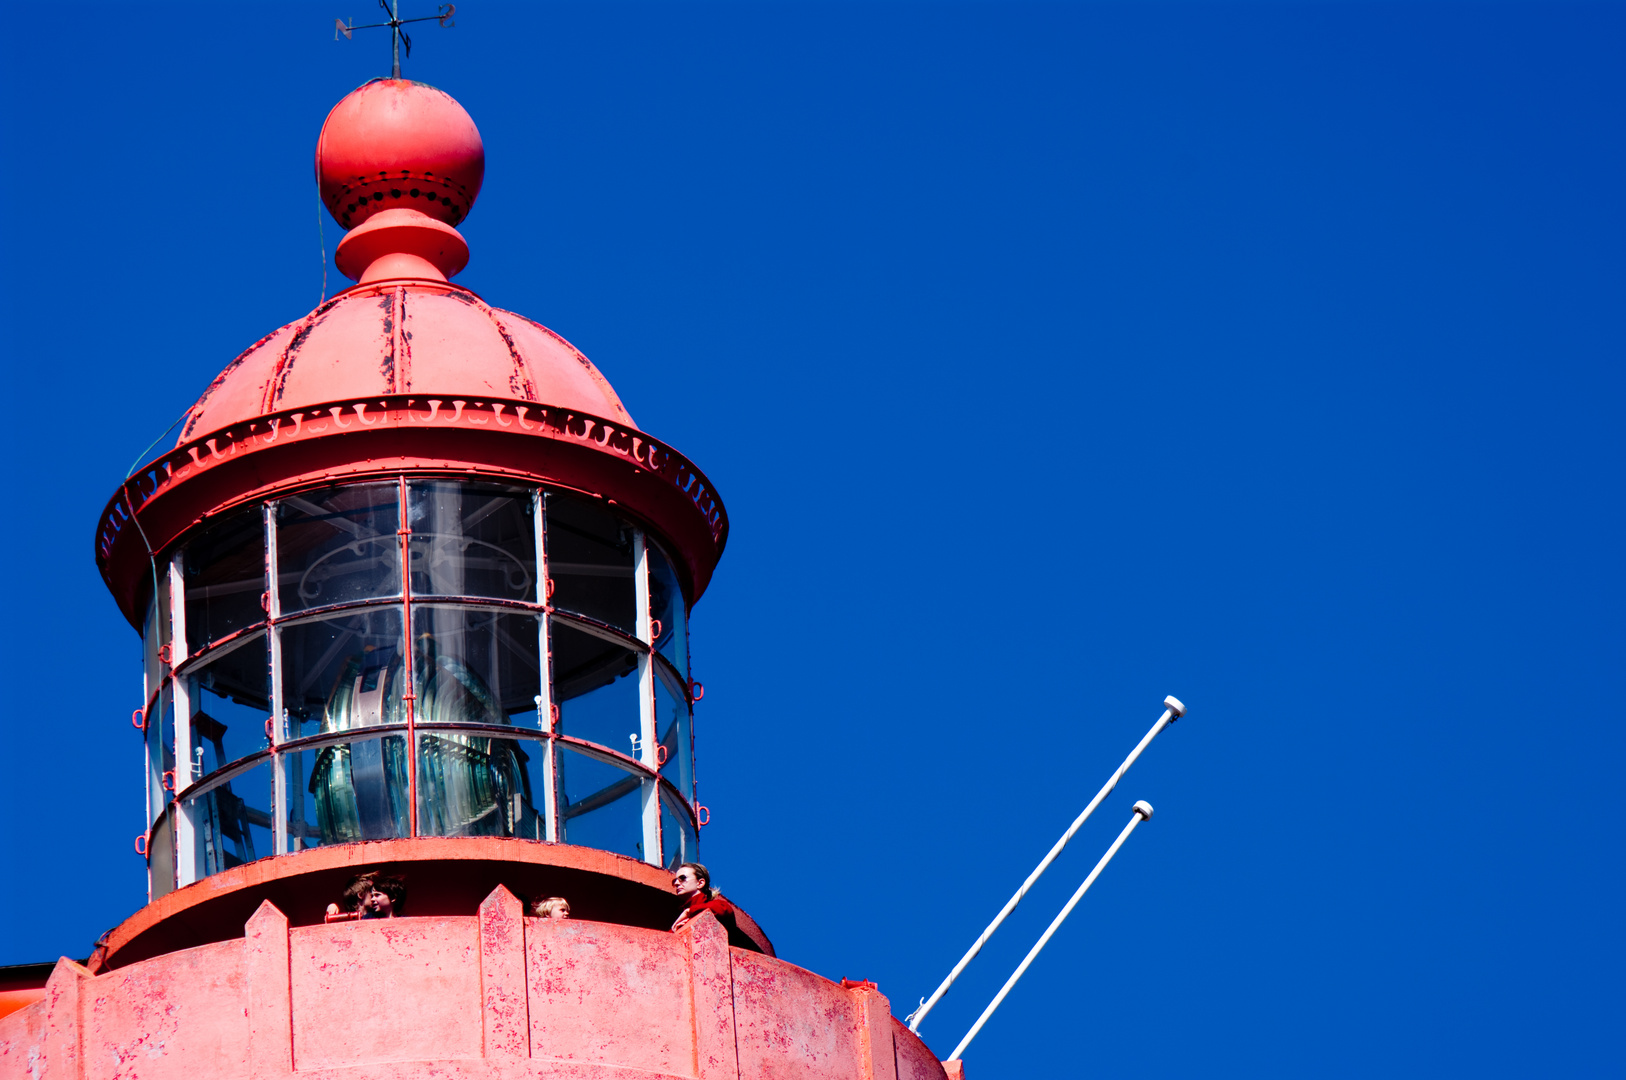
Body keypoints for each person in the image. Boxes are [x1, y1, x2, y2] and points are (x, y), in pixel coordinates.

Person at [670, 862, 738, 936]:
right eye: (675, 880)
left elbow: (723, 909)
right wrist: (674, 932)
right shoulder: (677, 921)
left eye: (682, 878)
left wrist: (689, 911)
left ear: (700, 883)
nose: (676, 883)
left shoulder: (718, 906)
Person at [325, 872, 406, 921]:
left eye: (377, 895)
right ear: (360, 895)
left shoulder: (378, 915)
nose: (373, 898)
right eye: (371, 894)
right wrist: (331, 909)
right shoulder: (366, 917)